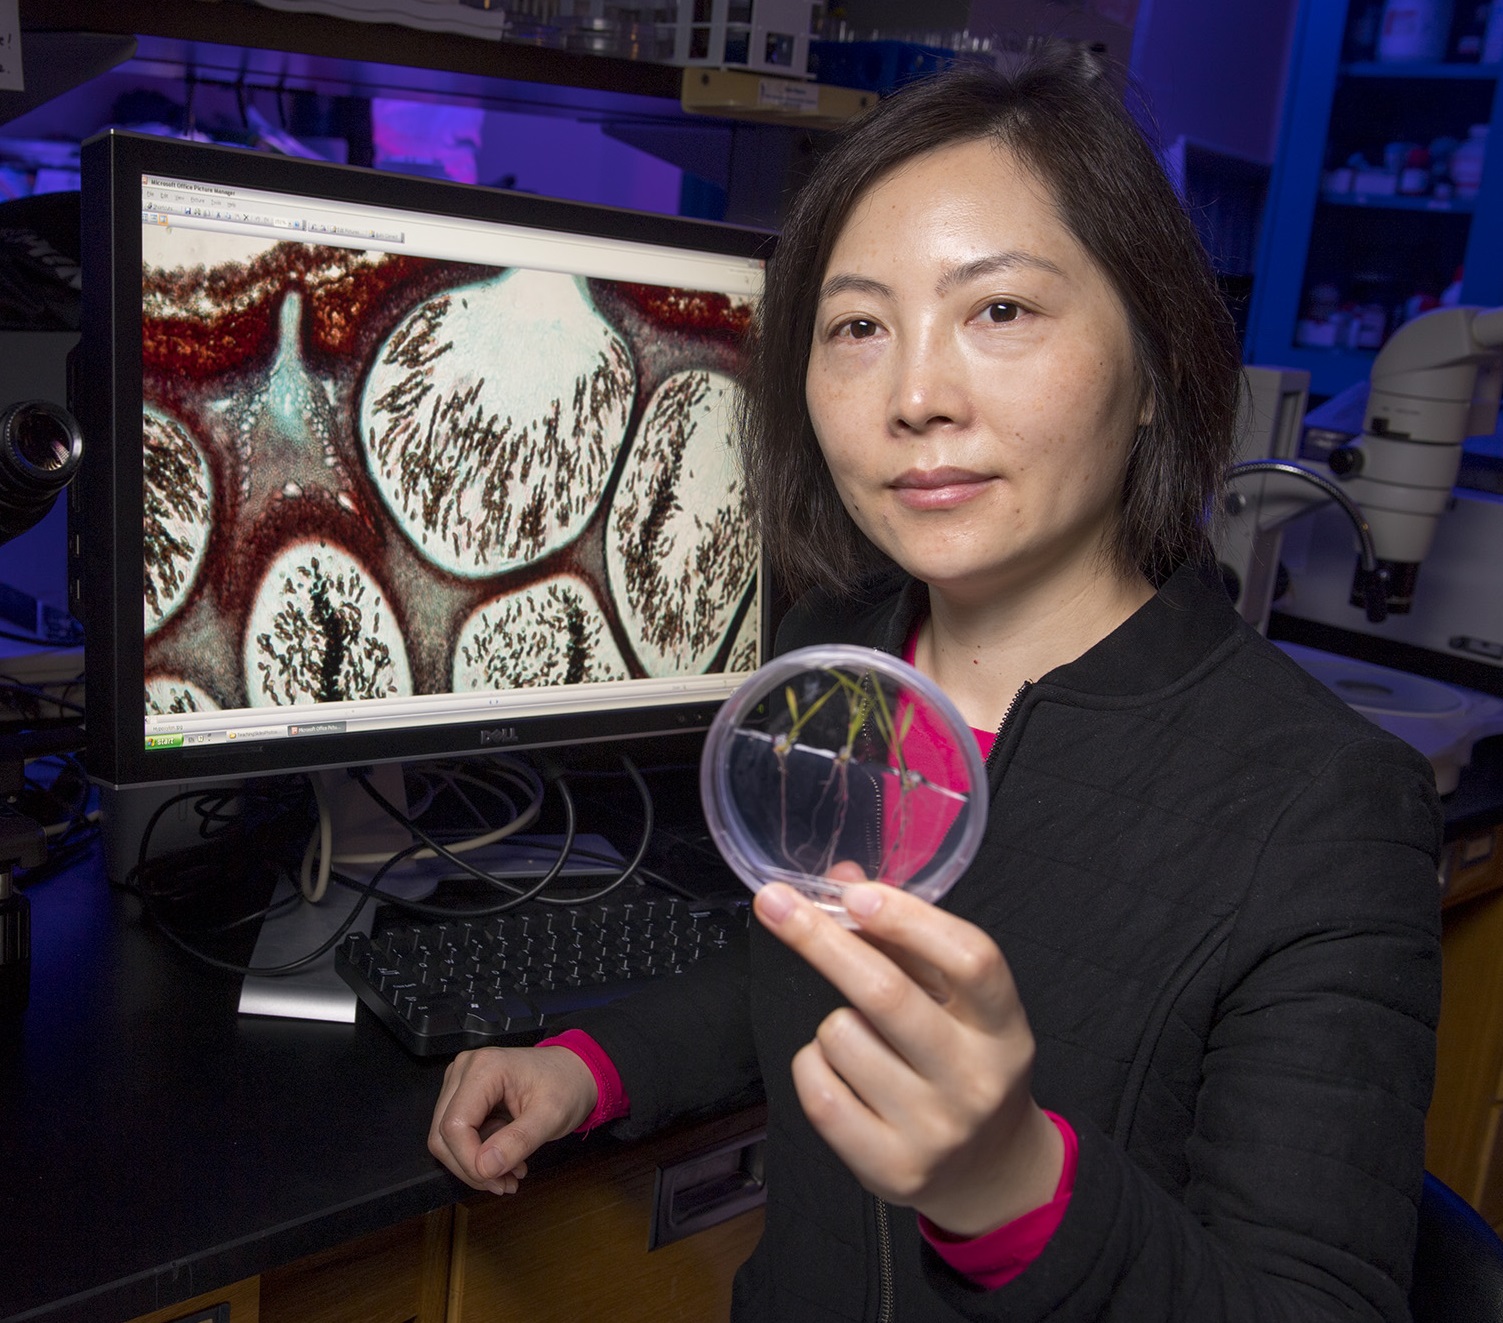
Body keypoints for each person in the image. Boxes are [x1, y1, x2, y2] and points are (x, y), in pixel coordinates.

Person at [429, 46, 1443, 1321]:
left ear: (1156, 364)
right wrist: (594, 1066)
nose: (913, 396)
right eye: (857, 327)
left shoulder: (1328, 811)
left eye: (1000, 311)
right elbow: (795, 972)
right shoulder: (832, 659)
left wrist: (1014, 1189)